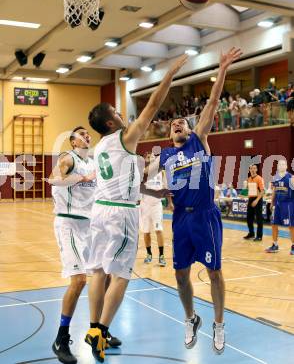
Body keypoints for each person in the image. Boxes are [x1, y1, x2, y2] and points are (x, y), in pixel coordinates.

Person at [85, 54, 188, 362]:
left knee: (97, 271)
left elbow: (125, 179)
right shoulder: (123, 137)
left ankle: (94, 328)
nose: (122, 114)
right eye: (117, 112)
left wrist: (149, 187)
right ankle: (101, 331)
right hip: (120, 214)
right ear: (110, 122)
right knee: (120, 276)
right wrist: (169, 73)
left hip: (100, 210)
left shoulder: (100, 147)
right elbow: (153, 107)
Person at [147, 47, 242, 355]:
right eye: (174, 124)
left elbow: (213, 102)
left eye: (182, 123)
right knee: (180, 274)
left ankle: (218, 324)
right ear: (168, 131)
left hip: (205, 215)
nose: (178, 124)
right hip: (180, 219)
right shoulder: (165, 156)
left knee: (214, 272)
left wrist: (223, 67)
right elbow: (139, 183)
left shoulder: (199, 139)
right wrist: (156, 193)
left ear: (189, 128)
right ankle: (190, 318)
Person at [49, 127, 121, 364]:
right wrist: (81, 177)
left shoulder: (94, 162)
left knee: (106, 277)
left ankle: (100, 330)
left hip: (91, 226)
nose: (87, 135)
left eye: (88, 133)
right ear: (72, 141)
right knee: (79, 280)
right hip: (69, 224)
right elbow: (54, 180)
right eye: (81, 133)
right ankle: (61, 338)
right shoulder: (68, 158)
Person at [140, 152, 167, 266]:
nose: (151, 159)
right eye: (149, 157)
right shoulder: (143, 173)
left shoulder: (162, 172)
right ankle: (149, 254)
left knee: (158, 230)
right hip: (145, 205)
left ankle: (161, 256)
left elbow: (165, 187)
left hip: (156, 205)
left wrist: (170, 203)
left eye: (153, 158)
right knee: (146, 231)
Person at [266, 160, 294, 254]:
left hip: (288, 204)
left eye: (283, 164)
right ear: (277, 167)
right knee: (274, 224)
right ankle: (275, 244)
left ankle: (293, 246)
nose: (281, 166)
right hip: (277, 205)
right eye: (279, 164)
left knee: (291, 226)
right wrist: (272, 202)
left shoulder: (291, 177)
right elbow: (274, 190)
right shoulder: (276, 177)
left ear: (286, 166)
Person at [243, 164, 265, 241]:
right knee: (249, 218)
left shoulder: (259, 178)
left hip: (257, 200)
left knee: (259, 219)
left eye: (254, 168)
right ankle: (251, 233)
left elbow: (262, 191)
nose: (252, 169)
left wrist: (256, 200)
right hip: (251, 199)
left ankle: (259, 236)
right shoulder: (249, 179)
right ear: (249, 170)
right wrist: (245, 197)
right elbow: (249, 191)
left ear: (256, 170)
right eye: (251, 168)